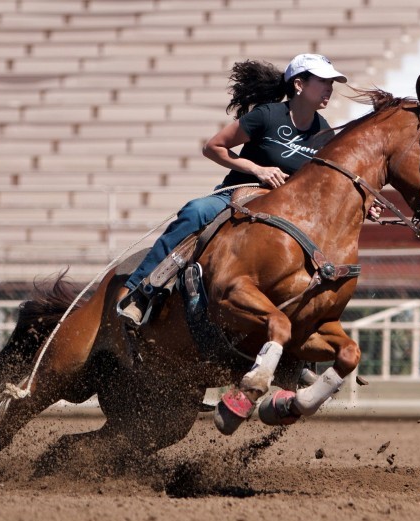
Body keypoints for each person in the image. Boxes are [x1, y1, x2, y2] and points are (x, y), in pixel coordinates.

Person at [117, 53, 348, 327]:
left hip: (286, 211)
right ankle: (140, 291)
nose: (329, 88)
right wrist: (257, 169)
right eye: (323, 81)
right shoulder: (267, 115)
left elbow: (324, 183)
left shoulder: (325, 133)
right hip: (236, 196)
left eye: (331, 83)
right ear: (299, 84)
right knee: (196, 210)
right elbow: (213, 147)